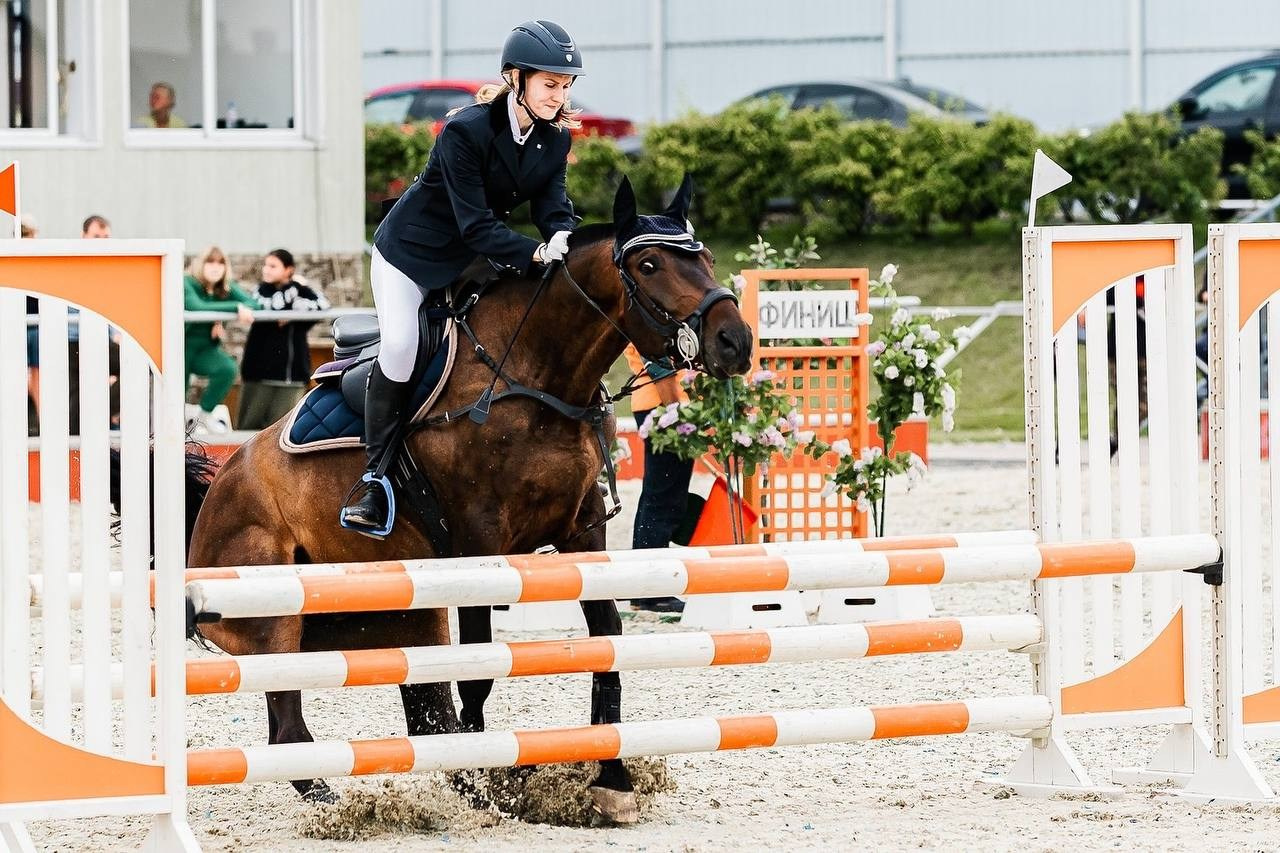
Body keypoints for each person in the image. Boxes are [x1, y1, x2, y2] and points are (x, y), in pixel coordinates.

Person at [339, 19, 582, 538]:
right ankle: (375, 478)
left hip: (472, 258)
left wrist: (563, 235)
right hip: (410, 255)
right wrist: (534, 252)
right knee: (402, 345)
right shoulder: (465, 130)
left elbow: (553, 205)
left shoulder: (553, 141)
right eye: (549, 84)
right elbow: (475, 224)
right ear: (515, 78)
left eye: (565, 86)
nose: (558, 96)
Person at [626, 345, 693, 612]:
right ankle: (652, 591)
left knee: (657, 495)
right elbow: (658, 362)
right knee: (664, 498)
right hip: (662, 401)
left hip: (655, 400)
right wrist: (676, 409)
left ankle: (644, 590)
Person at [237, 249, 330, 429]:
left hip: (292, 377)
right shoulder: (261, 292)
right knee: (247, 429)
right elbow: (271, 306)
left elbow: (323, 305)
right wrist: (293, 292)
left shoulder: (302, 292)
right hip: (259, 376)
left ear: (288, 270)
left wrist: (296, 296)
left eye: (273, 266)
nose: (266, 270)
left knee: (283, 431)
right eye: (266, 265)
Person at [183, 245, 257, 433]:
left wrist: (226, 311)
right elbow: (195, 306)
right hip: (180, 347)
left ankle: (204, 416)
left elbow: (253, 303)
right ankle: (172, 427)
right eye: (210, 262)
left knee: (227, 369)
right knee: (176, 392)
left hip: (205, 350)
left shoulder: (224, 287)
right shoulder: (187, 282)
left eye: (220, 263)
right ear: (200, 264)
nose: (215, 267)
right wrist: (233, 308)